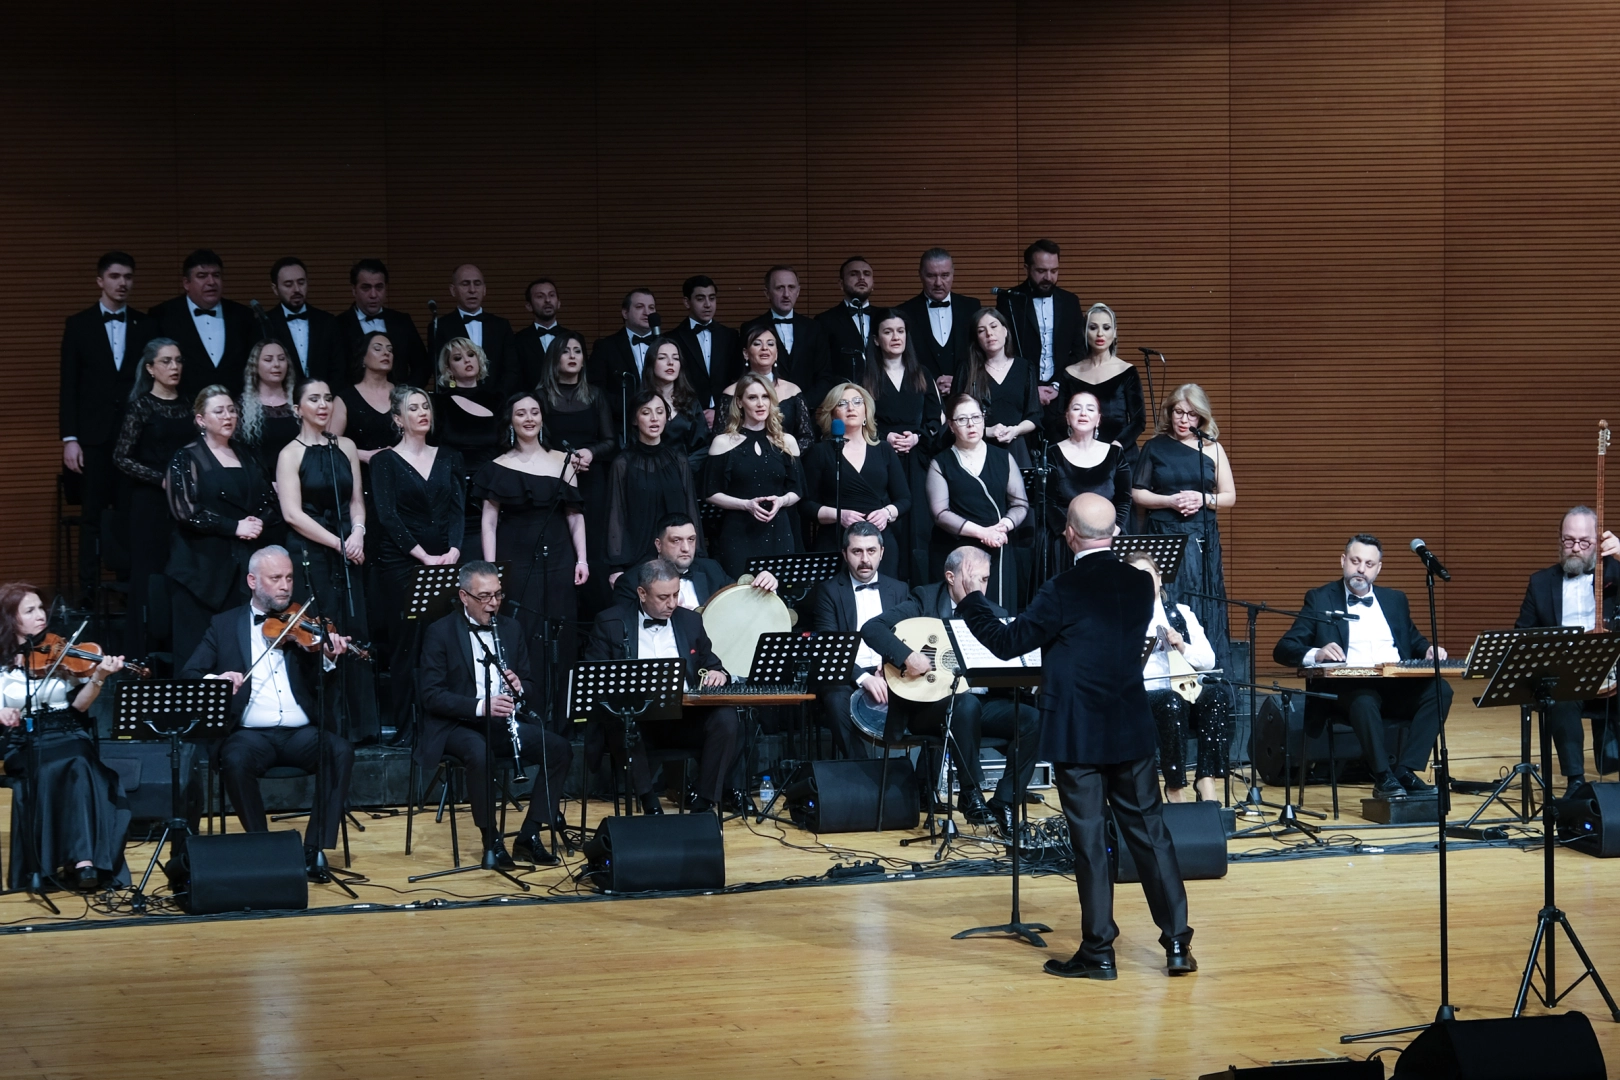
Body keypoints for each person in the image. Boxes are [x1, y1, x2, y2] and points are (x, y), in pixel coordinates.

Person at [958, 492, 1196, 979]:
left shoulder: (1061, 589)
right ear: (1114, 536)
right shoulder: (1138, 584)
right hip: (1129, 727)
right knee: (1151, 835)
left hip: (1077, 732)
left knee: (1089, 841)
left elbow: (1008, 643)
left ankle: (1099, 952)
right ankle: (1176, 946)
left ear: (1068, 533)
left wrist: (971, 601)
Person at [178, 546, 355, 881]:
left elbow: (324, 687)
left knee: (340, 750)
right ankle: (265, 847)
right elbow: (190, 674)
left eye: (289, 578)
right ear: (252, 581)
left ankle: (313, 850)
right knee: (234, 760)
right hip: (248, 734)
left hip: (299, 732)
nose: (285, 586)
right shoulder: (224, 625)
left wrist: (329, 657)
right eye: (275, 579)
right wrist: (218, 680)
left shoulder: (305, 623)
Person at [862, 545, 1042, 832]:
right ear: (950, 577)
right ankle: (970, 793)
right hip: (928, 707)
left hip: (979, 705)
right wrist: (907, 655)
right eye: (972, 581)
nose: (978, 589)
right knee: (965, 705)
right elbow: (873, 629)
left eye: (984, 581)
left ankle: (1005, 801)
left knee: (1031, 719)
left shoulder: (994, 613)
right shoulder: (924, 601)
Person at [1272, 533, 1453, 801]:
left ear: (1378, 568)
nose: (1361, 569)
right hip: (1347, 691)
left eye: (1369, 564)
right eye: (1355, 561)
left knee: (1441, 689)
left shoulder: (1395, 600)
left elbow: (1414, 640)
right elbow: (1283, 648)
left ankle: (1404, 770)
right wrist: (1317, 653)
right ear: (1343, 560)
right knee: (1364, 699)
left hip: (1395, 686)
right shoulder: (1320, 599)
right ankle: (1382, 776)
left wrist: (1428, 649)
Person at [415, 561, 572, 868]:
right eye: (484, 596)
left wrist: (519, 688)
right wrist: (479, 706)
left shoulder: (510, 629)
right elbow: (431, 695)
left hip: (501, 722)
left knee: (558, 749)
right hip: (456, 724)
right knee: (479, 752)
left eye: (498, 595)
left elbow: (529, 681)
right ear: (463, 597)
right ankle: (491, 841)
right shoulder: (440, 632)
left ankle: (529, 835)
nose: (494, 603)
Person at [582, 559, 746, 815]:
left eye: (675, 594)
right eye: (663, 597)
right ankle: (649, 802)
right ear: (642, 593)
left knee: (726, 719)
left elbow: (713, 664)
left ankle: (704, 803)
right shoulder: (610, 623)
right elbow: (596, 680)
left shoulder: (690, 621)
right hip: (638, 722)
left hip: (683, 718)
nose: (672, 603)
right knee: (620, 722)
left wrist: (718, 673)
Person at [0, 583, 129, 892]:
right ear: (10, 619)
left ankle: (84, 860)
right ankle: (49, 865)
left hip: (67, 730)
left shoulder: (60, 651)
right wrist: (3, 713)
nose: (40, 615)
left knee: (80, 761)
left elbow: (79, 705)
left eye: (41, 608)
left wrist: (98, 677)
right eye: (29, 611)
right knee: (48, 767)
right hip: (24, 739)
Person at [473, 393, 589, 724]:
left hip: (559, 558)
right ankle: (525, 711)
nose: (528, 418)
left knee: (561, 634)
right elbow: (489, 523)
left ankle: (562, 717)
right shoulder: (496, 467)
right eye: (521, 413)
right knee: (522, 634)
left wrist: (582, 559)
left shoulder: (563, 460)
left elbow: (575, 515)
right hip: (516, 559)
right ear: (510, 420)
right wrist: (491, 572)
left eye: (535, 412)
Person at [276, 378, 380, 743]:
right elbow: (291, 514)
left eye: (328, 398)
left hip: (346, 547)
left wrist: (359, 532)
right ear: (297, 408)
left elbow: (356, 501)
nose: (323, 405)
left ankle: (359, 727)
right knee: (320, 633)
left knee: (352, 628)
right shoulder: (290, 453)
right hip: (311, 552)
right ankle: (324, 725)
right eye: (314, 399)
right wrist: (339, 542)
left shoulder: (346, 446)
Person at [371, 387, 464, 737]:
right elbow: (387, 516)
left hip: (446, 558)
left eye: (426, 406)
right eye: (413, 408)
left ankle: (447, 720)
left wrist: (454, 551)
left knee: (445, 640)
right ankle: (408, 726)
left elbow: (458, 509)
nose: (423, 412)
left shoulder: (450, 456)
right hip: (402, 562)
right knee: (407, 642)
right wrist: (422, 556)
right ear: (398, 419)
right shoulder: (384, 461)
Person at [166, 385, 280, 668]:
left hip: (242, 565)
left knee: (239, 650)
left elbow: (270, 498)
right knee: (200, 654)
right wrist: (234, 526)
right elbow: (185, 511)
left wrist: (257, 522)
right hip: (201, 570)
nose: (228, 416)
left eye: (231, 410)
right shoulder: (186, 457)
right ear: (201, 420)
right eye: (219, 411)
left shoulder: (248, 453)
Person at [60, 251, 148, 605]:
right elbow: (69, 385)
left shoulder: (146, 325)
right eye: (114, 276)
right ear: (100, 280)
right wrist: (70, 438)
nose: (122, 283)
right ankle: (88, 593)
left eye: (127, 276)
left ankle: (129, 590)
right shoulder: (78, 324)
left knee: (130, 514)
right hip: (93, 439)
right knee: (92, 516)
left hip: (133, 438)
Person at [1515, 507, 1620, 791]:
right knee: (1558, 697)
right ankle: (1575, 782)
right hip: (1567, 678)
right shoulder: (1540, 582)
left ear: (1599, 542)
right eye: (1568, 540)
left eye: (1584, 542)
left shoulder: (1617, 575)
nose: (1575, 548)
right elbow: (1522, 634)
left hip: (1614, 677)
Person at [1132, 384, 1234, 669]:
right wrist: (1170, 501)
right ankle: (1169, 670)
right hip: (1164, 534)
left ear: (1201, 418)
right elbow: (1138, 493)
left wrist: (1203, 498)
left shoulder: (1212, 447)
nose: (1184, 419)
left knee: (1204, 599)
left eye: (1191, 414)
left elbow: (1229, 496)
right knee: (1170, 598)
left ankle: (1208, 669)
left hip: (1202, 537)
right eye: (1178, 411)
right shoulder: (1154, 446)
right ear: (1170, 412)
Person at [1124, 551, 1232, 804]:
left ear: (1159, 578)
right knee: (1172, 702)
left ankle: (1206, 780)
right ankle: (1174, 786)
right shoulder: (1120, 617)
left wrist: (1183, 646)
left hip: (1186, 688)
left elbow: (1209, 661)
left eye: (1148, 575)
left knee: (1216, 695)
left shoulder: (1182, 613)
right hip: (1145, 695)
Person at [807, 523, 914, 761]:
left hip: (890, 671)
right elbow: (828, 645)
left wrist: (890, 668)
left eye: (871, 551)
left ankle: (912, 778)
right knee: (835, 698)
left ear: (882, 552)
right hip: (848, 673)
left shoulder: (898, 589)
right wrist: (863, 678)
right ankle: (863, 771)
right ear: (845, 554)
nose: (865, 559)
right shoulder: (829, 591)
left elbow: (908, 637)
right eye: (857, 552)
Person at [114, 338, 193, 658]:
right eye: (166, 362)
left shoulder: (190, 404)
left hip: (186, 502)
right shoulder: (141, 406)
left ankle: (180, 651)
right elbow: (121, 457)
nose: (174, 367)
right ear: (150, 369)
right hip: (150, 504)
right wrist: (160, 478)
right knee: (149, 578)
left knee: (182, 573)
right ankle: (141, 656)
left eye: (177, 361)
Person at [927, 393, 1030, 611]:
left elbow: (1020, 504)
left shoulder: (1003, 458)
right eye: (962, 419)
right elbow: (940, 514)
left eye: (976, 417)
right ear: (951, 425)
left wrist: (1004, 526)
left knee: (998, 615)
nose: (971, 425)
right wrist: (983, 533)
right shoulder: (940, 463)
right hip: (958, 548)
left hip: (998, 545)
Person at [864, 309, 945, 582]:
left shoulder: (921, 373)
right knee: (890, 528)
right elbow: (861, 419)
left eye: (900, 331)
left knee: (920, 527)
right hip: (882, 460)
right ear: (876, 339)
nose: (895, 337)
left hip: (918, 459)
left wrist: (918, 437)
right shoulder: (866, 376)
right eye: (888, 332)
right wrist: (885, 436)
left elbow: (936, 419)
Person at [539, 332, 616, 613]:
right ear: (554, 358)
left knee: (593, 546)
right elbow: (535, 440)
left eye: (577, 351)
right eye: (565, 351)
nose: (572, 356)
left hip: (591, 478)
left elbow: (611, 440)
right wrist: (564, 459)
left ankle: (592, 617)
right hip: (554, 479)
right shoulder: (541, 397)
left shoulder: (595, 395)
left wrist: (590, 453)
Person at [702, 372, 805, 579]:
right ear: (739, 402)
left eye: (765, 397)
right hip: (739, 531)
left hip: (779, 530)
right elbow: (709, 492)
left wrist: (782, 501)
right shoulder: (723, 442)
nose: (760, 403)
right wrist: (745, 505)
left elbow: (798, 490)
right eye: (752, 397)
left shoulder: (787, 442)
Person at [802, 383, 909, 578]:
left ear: (866, 410)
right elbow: (806, 505)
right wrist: (839, 515)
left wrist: (886, 513)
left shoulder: (884, 450)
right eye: (842, 403)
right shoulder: (820, 453)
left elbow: (904, 499)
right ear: (832, 413)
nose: (851, 408)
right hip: (835, 541)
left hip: (878, 543)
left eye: (857, 402)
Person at [606, 390, 704, 579]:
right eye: (646, 412)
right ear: (634, 420)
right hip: (638, 556)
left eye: (660, 412)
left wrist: (697, 553)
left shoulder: (679, 460)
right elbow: (616, 514)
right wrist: (616, 567)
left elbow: (691, 510)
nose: (654, 418)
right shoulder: (623, 463)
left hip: (677, 556)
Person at [137, 249, 256, 401]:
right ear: (186, 283)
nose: (211, 282)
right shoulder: (163, 315)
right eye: (202, 276)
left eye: (216, 275)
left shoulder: (243, 315)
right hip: (181, 408)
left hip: (233, 408)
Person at [1045, 389, 1132, 579]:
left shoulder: (1115, 454)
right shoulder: (1051, 454)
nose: (1083, 413)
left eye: (1090, 409)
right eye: (1077, 408)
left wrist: (1110, 535)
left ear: (1098, 419)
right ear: (1068, 417)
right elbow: (1047, 502)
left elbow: (1124, 500)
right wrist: (1072, 537)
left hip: (1108, 543)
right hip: (1066, 544)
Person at [1049, 303, 1145, 471]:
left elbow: (1138, 421)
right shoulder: (1070, 372)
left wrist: (1115, 447)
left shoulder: (1127, 371)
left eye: (1106, 328)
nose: (1100, 333)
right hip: (1079, 455)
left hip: (1120, 455)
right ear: (1085, 333)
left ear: (1115, 333)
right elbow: (1060, 419)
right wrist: (1078, 445)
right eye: (1093, 328)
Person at [428, 336, 503, 546]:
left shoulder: (497, 399)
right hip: (453, 485)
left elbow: (504, 444)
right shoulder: (438, 402)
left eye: (471, 355)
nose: (467, 361)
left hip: (491, 484)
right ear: (449, 368)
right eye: (458, 358)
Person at [954, 307, 1042, 467]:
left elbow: (1035, 416)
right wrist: (987, 431)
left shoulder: (1025, 367)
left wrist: (1015, 430)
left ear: (1006, 330)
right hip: (976, 448)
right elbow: (954, 417)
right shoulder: (967, 369)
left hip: (1017, 447)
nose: (989, 334)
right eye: (982, 330)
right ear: (977, 338)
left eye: (994, 326)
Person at [997, 239, 1082, 405]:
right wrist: (1030, 386)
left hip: (1061, 393)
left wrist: (1057, 384)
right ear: (1027, 269)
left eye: (1054, 271)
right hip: (1020, 393)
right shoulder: (1009, 300)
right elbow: (1003, 351)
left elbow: (1079, 350)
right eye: (1041, 271)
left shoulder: (1070, 302)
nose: (1048, 277)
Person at [611, 513, 757, 609]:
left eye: (691, 540)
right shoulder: (631, 582)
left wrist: (761, 587)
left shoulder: (711, 569)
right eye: (676, 540)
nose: (686, 548)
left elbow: (741, 600)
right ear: (658, 545)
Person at [714, 323, 817, 448]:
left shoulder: (793, 391)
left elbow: (807, 437)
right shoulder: (730, 393)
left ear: (776, 353)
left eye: (770, 344)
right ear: (746, 353)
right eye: (757, 343)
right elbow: (720, 437)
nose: (764, 348)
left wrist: (782, 457)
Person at [333, 259, 429, 388]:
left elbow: (422, 365)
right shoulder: (338, 325)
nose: (373, 294)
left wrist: (407, 394)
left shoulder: (402, 321)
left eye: (379, 287)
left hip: (399, 400)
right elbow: (335, 373)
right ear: (354, 290)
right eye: (366, 288)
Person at [897, 248, 981, 393]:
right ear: (921, 275)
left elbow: (980, 354)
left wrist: (960, 381)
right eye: (931, 276)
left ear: (953, 275)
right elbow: (900, 360)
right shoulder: (904, 312)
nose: (938, 282)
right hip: (921, 395)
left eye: (945, 275)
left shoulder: (972, 307)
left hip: (966, 396)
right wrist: (929, 384)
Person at [740, 266, 830, 391]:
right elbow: (743, 373)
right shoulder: (750, 327)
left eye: (791, 287)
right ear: (767, 293)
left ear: (798, 291)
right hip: (764, 406)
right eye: (779, 288)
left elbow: (824, 376)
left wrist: (801, 404)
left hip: (806, 407)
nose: (786, 294)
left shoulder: (815, 328)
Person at [430, 264, 514, 392]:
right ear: (453, 290)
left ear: (484, 289)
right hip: (456, 400)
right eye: (465, 284)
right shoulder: (440, 326)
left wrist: (498, 397)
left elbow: (512, 369)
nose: (472, 290)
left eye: (477, 283)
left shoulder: (501, 325)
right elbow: (439, 369)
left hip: (498, 402)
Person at [588, 287, 659, 438]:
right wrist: (632, 408)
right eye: (640, 307)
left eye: (651, 308)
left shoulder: (665, 345)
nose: (647, 312)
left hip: (662, 428)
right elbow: (596, 390)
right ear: (625, 313)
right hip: (621, 429)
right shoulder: (606, 346)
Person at [666, 275, 736, 417]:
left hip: (727, 416)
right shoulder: (672, 339)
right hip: (687, 416)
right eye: (700, 299)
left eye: (712, 298)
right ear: (687, 302)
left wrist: (720, 411)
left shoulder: (730, 336)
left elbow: (737, 379)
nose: (708, 304)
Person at [262, 256, 338, 383]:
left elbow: (338, 369)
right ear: (275, 289)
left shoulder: (328, 322)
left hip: (323, 399)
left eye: (301, 282)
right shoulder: (265, 324)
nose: (296, 289)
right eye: (288, 284)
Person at [238, 339, 301, 487]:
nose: (276, 365)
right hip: (258, 486)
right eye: (268, 359)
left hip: (300, 483)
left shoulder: (300, 400)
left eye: (281, 359)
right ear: (255, 366)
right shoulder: (240, 407)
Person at [330, 331, 398, 465]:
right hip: (361, 473)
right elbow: (330, 443)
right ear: (362, 358)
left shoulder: (405, 394)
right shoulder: (345, 398)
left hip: (404, 473)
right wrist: (363, 455)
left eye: (390, 350)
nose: (386, 353)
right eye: (377, 348)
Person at [814, 256, 879, 393]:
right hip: (844, 400)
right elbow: (823, 370)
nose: (861, 278)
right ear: (841, 284)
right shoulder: (824, 321)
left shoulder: (886, 317)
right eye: (854, 274)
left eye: (866, 274)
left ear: (873, 284)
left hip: (884, 400)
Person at [641, 337, 711, 463]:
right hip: (650, 472)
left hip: (686, 474)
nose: (670, 363)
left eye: (676, 358)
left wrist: (683, 469)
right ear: (651, 363)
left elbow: (703, 447)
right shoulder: (641, 402)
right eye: (662, 358)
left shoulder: (691, 402)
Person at [505, 278, 575, 396]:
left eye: (551, 295)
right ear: (528, 306)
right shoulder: (518, 340)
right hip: (533, 406)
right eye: (540, 296)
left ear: (559, 302)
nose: (547, 300)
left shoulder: (574, 339)